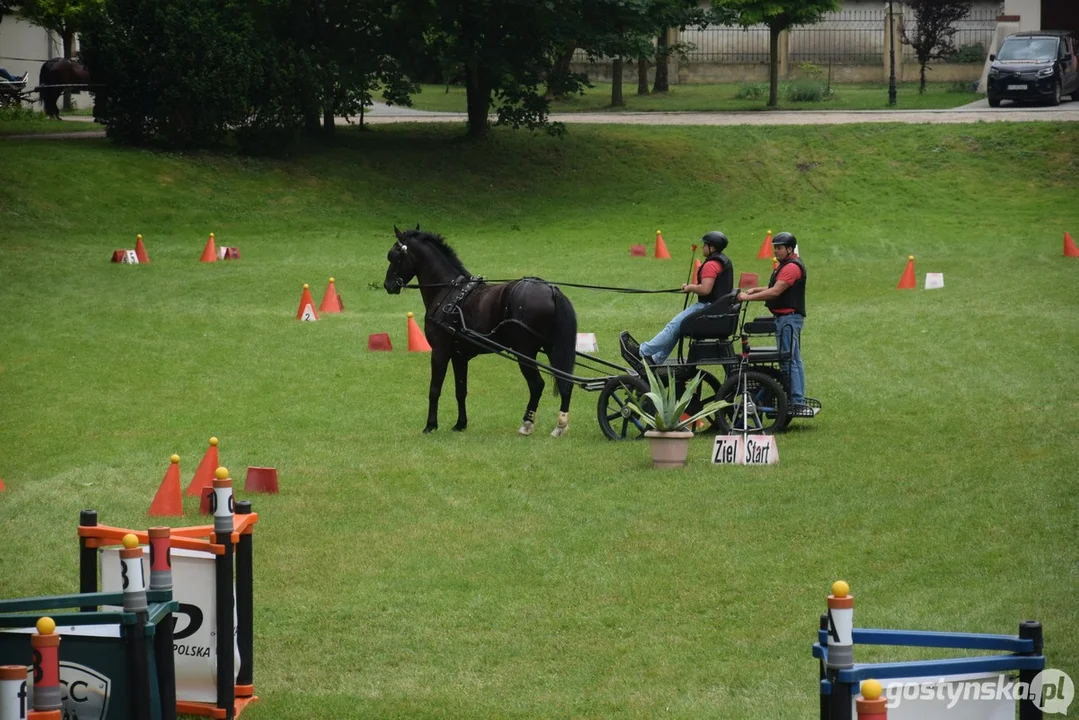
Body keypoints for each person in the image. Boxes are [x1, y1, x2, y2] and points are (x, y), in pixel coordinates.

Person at [621, 230, 734, 366]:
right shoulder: (722, 261)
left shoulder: (711, 265)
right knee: (677, 329)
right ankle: (655, 360)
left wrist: (690, 287)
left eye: (705, 245)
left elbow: (705, 289)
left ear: (712, 248)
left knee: (673, 326)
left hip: (707, 308)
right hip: (716, 307)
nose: (702, 247)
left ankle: (642, 352)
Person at [737, 231, 816, 416]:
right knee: (794, 360)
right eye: (775, 248)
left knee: (788, 362)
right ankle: (797, 400)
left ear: (789, 249)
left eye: (779, 248)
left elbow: (775, 292)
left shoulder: (791, 267)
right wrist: (756, 289)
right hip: (787, 319)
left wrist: (746, 298)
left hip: (788, 319)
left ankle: (796, 402)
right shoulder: (787, 265)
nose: (776, 251)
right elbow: (775, 287)